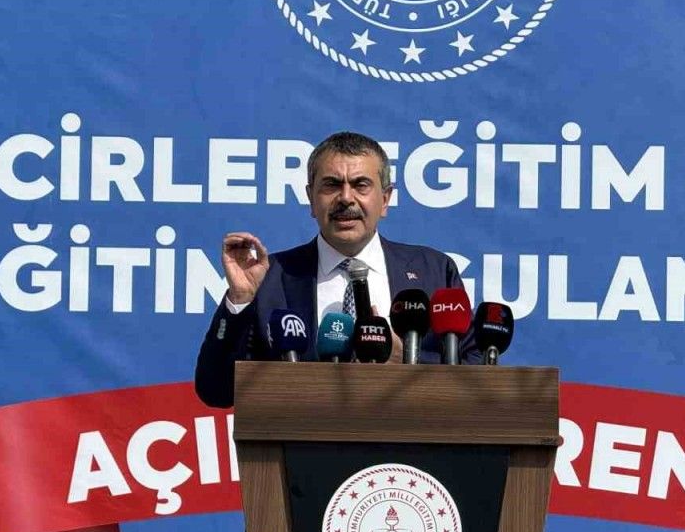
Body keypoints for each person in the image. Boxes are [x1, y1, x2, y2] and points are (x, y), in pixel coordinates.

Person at [194, 131, 480, 408]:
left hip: (410, 438)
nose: (345, 198)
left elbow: (476, 375)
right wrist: (241, 300)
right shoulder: (271, 277)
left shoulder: (433, 270)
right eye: (331, 185)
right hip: (303, 439)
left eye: (360, 185)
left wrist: (407, 359)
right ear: (311, 198)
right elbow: (215, 390)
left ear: (385, 199)